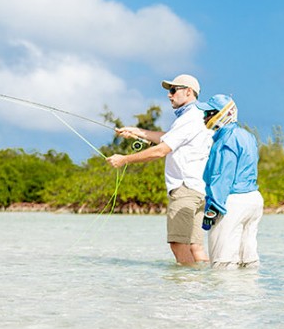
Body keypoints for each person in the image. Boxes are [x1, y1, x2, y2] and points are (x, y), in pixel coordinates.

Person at [106, 74, 212, 264]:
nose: (169, 95)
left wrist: (124, 160)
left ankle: (186, 289)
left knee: (178, 244)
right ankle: (201, 290)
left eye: (173, 90)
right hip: (199, 190)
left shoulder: (189, 117)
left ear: (188, 92)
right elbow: (169, 137)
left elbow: (162, 150)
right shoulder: (199, 116)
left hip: (184, 188)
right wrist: (137, 132)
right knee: (196, 247)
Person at [197, 94, 263, 268]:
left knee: (223, 265)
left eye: (208, 113)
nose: (204, 117)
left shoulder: (225, 140)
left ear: (222, 114)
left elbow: (222, 176)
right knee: (249, 263)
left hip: (231, 202)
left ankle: (224, 297)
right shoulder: (248, 136)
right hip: (254, 200)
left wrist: (213, 208)